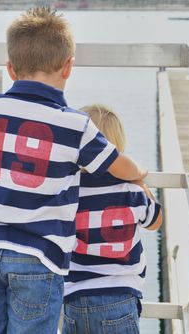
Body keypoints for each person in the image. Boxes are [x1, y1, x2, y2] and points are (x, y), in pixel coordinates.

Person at [0, 7, 147, 334]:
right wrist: (139, 175)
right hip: (39, 254)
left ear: (10, 68)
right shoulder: (75, 125)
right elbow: (117, 163)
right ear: (68, 67)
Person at [62, 104, 162, 334]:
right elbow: (155, 221)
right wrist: (139, 181)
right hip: (120, 297)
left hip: (75, 298)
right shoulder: (131, 191)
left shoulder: (69, 191)